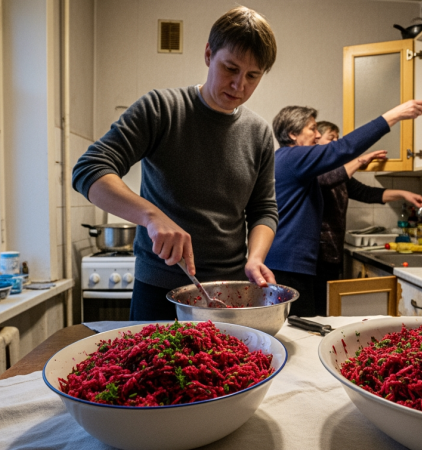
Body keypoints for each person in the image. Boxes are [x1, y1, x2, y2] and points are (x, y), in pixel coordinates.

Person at [72, 7, 279, 321]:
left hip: (228, 293)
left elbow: (264, 208)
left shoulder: (260, 133)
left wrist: (255, 257)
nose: (239, 85)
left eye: (253, 76)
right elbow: (89, 169)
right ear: (209, 54)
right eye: (230, 68)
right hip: (159, 289)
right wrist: (151, 216)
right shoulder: (161, 109)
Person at [265, 100, 422, 317]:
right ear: (293, 134)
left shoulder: (292, 161)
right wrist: (394, 115)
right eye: (312, 129)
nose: (316, 135)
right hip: (288, 266)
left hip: (288, 263)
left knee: (300, 329)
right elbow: (344, 148)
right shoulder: (294, 157)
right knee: (298, 332)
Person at [313, 121, 422, 315]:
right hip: (316, 257)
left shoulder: (340, 176)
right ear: (317, 141)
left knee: (327, 311)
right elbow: (331, 177)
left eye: (338, 138)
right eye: (331, 139)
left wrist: (404, 194)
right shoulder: (316, 171)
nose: (337, 143)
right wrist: (360, 160)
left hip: (332, 254)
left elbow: (367, 193)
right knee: (318, 311)